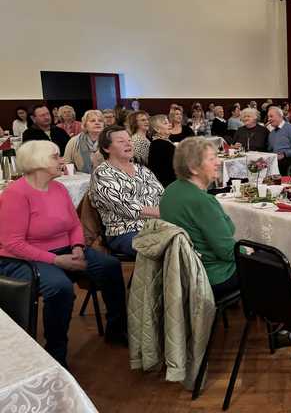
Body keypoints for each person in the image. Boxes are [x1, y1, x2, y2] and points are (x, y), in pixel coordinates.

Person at [0, 140, 127, 366]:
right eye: (56, 157)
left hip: (66, 249)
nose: (62, 161)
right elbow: (12, 244)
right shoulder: (16, 194)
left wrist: (78, 248)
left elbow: (74, 225)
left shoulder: (58, 188)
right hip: (24, 258)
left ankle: (116, 328)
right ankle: (56, 352)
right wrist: (58, 260)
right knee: (60, 288)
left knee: (109, 266)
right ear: (37, 162)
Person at [159, 137, 239, 297]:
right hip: (211, 275)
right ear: (194, 168)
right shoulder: (202, 201)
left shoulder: (170, 190)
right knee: (275, 266)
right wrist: (248, 251)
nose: (218, 162)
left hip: (181, 272)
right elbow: (228, 252)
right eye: (211, 159)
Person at [90, 126, 164, 258]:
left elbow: (162, 195)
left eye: (129, 140)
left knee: (192, 239)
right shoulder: (103, 173)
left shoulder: (142, 170)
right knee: (167, 249)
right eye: (121, 141)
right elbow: (129, 209)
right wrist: (166, 211)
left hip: (156, 226)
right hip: (124, 232)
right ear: (107, 148)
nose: (128, 143)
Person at [267, 106, 291, 174]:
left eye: (271, 116)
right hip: (279, 161)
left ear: (280, 116)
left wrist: (284, 154)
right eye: (268, 117)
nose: (269, 119)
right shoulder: (271, 134)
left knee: (279, 165)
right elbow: (270, 150)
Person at [147, 114, 178, 187]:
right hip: (168, 186)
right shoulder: (161, 145)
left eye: (168, 122)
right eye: (165, 123)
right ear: (157, 129)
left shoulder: (159, 142)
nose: (169, 125)